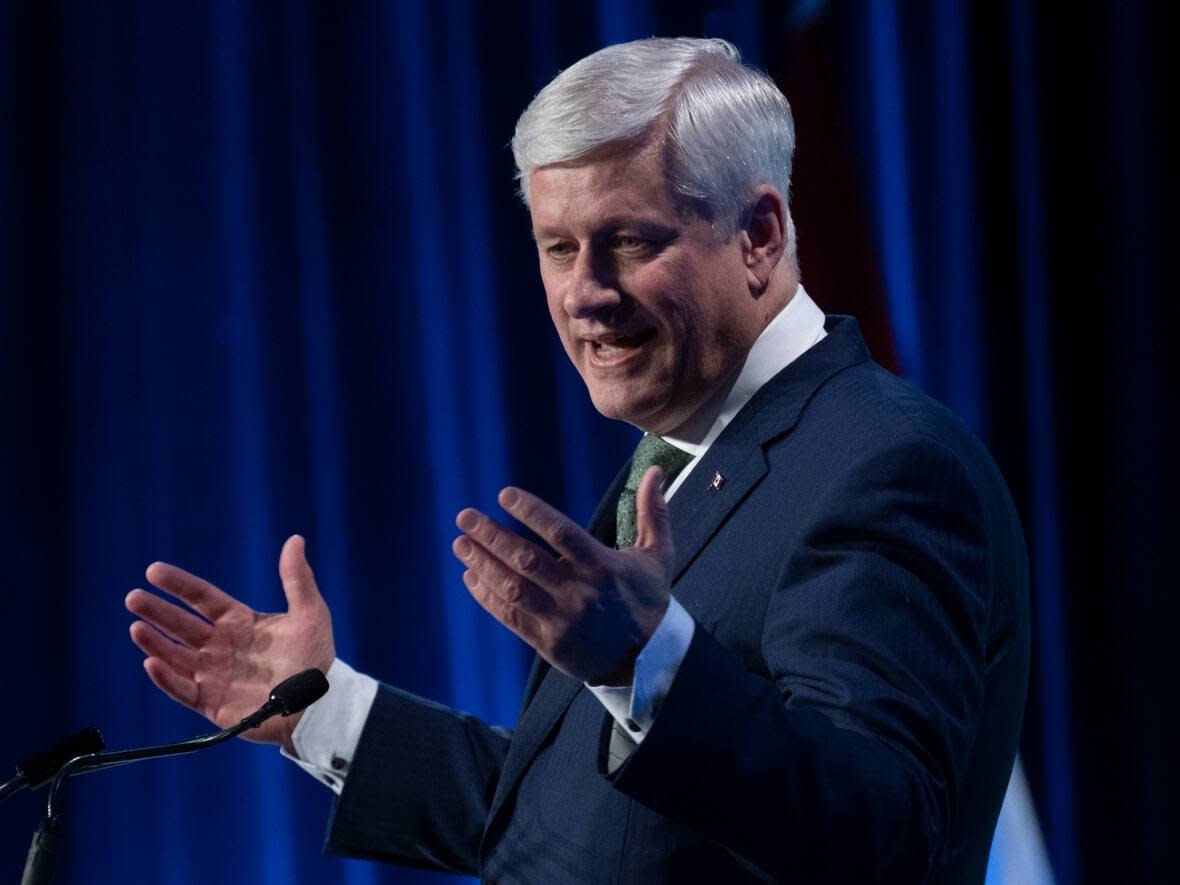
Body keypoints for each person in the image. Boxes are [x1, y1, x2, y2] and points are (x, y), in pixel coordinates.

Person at [125, 37, 1029, 884]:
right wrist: (321, 708)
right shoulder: (680, 458)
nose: (585, 294)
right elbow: (583, 823)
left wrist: (647, 664)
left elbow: (880, 839)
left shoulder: (884, 463)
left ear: (758, 235)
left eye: (629, 241)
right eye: (559, 248)